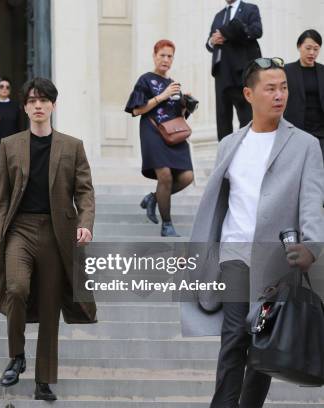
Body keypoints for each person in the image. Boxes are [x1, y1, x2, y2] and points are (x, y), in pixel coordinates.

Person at [181, 58, 324, 408]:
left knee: (262, 346)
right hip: (234, 254)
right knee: (233, 339)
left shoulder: (305, 144)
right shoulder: (230, 144)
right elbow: (218, 203)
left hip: (277, 262)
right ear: (249, 93)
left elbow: (312, 200)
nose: (280, 95)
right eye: (271, 88)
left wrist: (312, 245)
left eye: (284, 88)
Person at [0, 78, 97, 401]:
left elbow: (85, 192)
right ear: (24, 107)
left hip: (56, 233)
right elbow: (2, 197)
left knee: (50, 308)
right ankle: (16, 355)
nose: (38, 105)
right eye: (32, 100)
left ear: (53, 105)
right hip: (19, 229)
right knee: (16, 288)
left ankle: (43, 381)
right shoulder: (9, 145)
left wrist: (85, 222)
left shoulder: (72, 145)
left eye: (44, 100)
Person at [125, 39, 194, 237]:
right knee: (165, 175)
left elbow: (178, 114)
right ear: (154, 56)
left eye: (169, 56)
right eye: (162, 55)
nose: (165, 59)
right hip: (153, 132)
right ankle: (167, 225)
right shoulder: (145, 79)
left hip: (174, 133)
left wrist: (186, 104)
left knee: (187, 177)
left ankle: (153, 198)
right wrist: (162, 96)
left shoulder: (174, 84)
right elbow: (137, 110)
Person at [207, 0, 262, 141]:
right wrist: (212, 41)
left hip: (241, 70)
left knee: (246, 114)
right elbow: (209, 43)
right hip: (221, 71)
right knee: (222, 116)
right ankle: (225, 153)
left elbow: (256, 31)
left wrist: (227, 34)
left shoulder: (250, 8)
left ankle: (247, 147)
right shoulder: (218, 15)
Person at [284, 29, 324, 159]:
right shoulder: (286, 71)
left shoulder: (323, 71)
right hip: (297, 130)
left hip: (321, 131)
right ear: (299, 46)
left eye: (316, 49)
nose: (312, 53)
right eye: (308, 48)